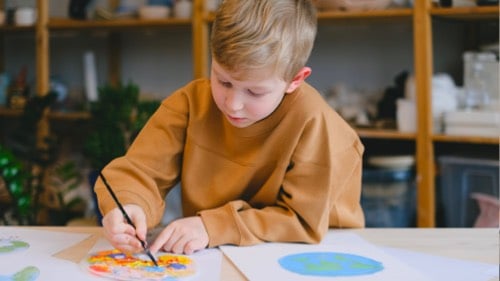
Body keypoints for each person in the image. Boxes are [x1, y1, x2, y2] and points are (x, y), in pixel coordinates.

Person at [94, 0, 365, 256]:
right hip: (219, 252)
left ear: (295, 80)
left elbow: (301, 222)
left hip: (315, 253)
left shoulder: (316, 124)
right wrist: (129, 205)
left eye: (255, 92)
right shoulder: (190, 104)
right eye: (223, 81)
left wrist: (214, 227)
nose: (233, 105)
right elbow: (141, 173)